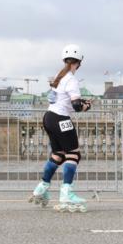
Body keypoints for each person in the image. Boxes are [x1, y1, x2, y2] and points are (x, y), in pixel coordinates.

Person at [29, 44, 91, 212]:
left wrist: (81, 104)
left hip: (48, 117)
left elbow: (60, 100)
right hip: (61, 119)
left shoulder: (59, 76)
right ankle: (67, 193)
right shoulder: (71, 79)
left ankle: (41, 188)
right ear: (79, 62)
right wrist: (86, 106)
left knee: (58, 154)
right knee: (74, 154)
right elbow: (76, 106)